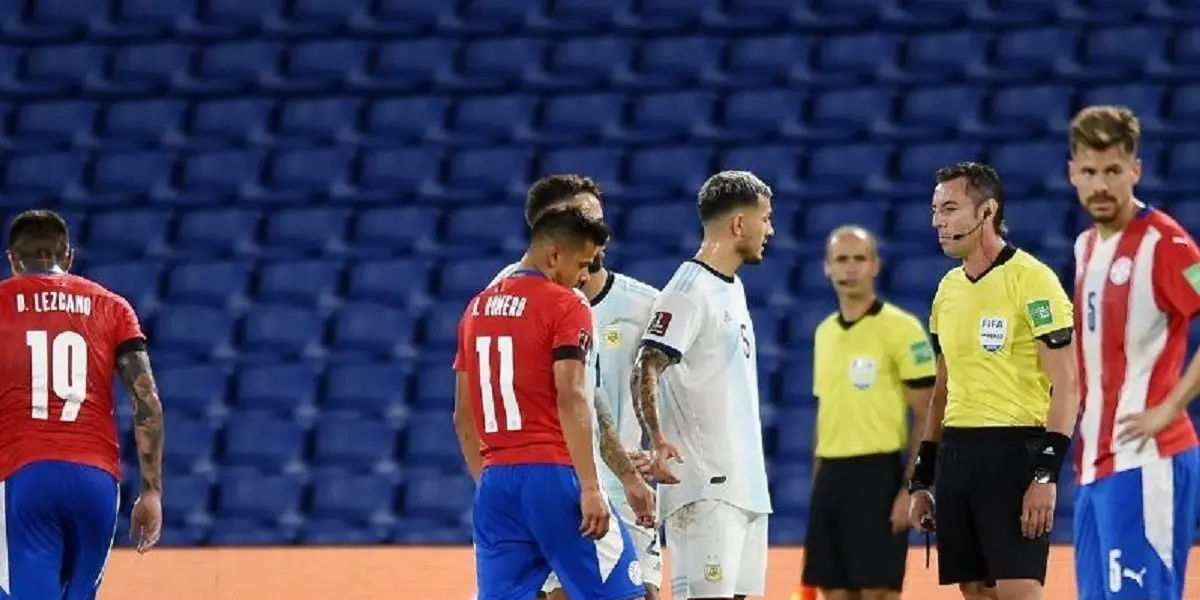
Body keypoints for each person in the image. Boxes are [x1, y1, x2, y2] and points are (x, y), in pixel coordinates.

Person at [453, 206, 649, 600]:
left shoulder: (476, 308)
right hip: (554, 478)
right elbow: (573, 396)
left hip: (495, 486)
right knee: (626, 594)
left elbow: (463, 418)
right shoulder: (567, 304)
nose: (584, 277)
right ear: (555, 254)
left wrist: (491, 485)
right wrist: (591, 488)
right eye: (583, 264)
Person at [907, 162, 1080, 600]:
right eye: (934, 210)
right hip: (958, 455)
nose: (937, 221)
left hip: (1014, 454)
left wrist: (1045, 475)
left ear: (987, 211)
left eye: (950, 208)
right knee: (975, 592)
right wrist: (923, 476)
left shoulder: (1033, 280)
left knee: (1018, 592)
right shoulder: (947, 289)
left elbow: (1068, 384)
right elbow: (943, 389)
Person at [1066, 106, 1200, 600]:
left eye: (1113, 171)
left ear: (1135, 171)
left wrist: (1169, 407)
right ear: (1073, 174)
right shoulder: (1085, 247)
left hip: (1148, 460)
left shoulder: (1168, 244)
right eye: (1090, 172)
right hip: (1095, 464)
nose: (1101, 185)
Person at [0, 209, 165, 599]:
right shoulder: (113, 307)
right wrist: (152, 490)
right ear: (68, 257)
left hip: (24, 474)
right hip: (97, 481)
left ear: (12, 259)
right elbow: (147, 400)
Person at [633, 170, 775, 600]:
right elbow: (647, 363)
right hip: (706, 489)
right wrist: (657, 438)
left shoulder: (731, 288)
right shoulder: (687, 290)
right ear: (738, 225)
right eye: (765, 218)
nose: (769, 229)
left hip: (744, 487)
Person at [802, 226, 936, 600]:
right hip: (831, 475)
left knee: (878, 593)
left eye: (859, 258)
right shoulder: (824, 332)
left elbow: (927, 412)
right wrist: (819, 483)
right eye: (841, 260)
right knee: (834, 593)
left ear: (875, 265)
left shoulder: (902, 328)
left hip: (878, 476)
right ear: (827, 268)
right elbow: (824, 410)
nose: (850, 268)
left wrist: (912, 486)